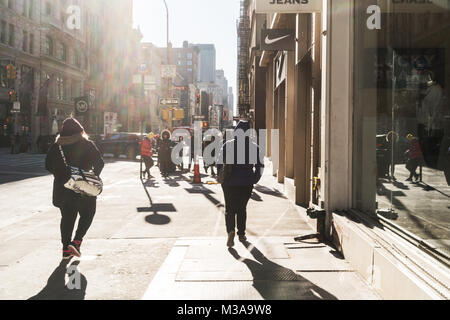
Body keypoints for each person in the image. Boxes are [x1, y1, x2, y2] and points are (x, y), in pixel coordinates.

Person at [45, 118, 104, 260]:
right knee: (88, 214)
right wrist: (90, 176)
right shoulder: (87, 144)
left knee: (67, 218)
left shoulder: (56, 147)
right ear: (80, 130)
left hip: (64, 188)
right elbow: (100, 163)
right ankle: (77, 242)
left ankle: (66, 249)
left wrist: (62, 176)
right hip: (84, 188)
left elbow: (47, 165)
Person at [216, 121, 264, 248]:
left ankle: (230, 231)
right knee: (242, 209)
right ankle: (241, 234)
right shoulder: (254, 147)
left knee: (230, 209)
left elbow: (219, 162)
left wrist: (221, 176)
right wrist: (255, 179)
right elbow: (260, 165)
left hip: (229, 183)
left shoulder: (228, 145)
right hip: (246, 183)